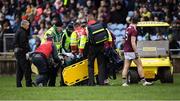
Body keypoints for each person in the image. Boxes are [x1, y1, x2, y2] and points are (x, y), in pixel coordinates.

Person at [122, 17, 153, 86]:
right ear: (138, 22)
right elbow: (133, 42)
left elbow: (123, 40)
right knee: (139, 65)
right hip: (131, 51)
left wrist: (125, 48)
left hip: (126, 50)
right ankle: (144, 82)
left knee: (126, 66)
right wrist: (136, 52)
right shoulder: (134, 30)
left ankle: (124, 82)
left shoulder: (127, 28)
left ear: (131, 21)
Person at [86, 14, 112, 86]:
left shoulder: (88, 27)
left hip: (92, 47)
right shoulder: (100, 24)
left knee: (90, 65)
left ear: (88, 20)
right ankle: (101, 82)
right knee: (101, 64)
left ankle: (91, 82)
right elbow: (108, 34)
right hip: (101, 46)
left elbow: (87, 38)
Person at [14, 20, 32, 87]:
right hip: (22, 52)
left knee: (19, 70)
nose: (28, 26)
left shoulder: (18, 31)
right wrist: (27, 51)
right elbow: (23, 43)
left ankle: (18, 84)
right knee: (27, 69)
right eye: (27, 25)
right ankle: (28, 84)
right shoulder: (23, 32)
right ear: (24, 25)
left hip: (18, 52)